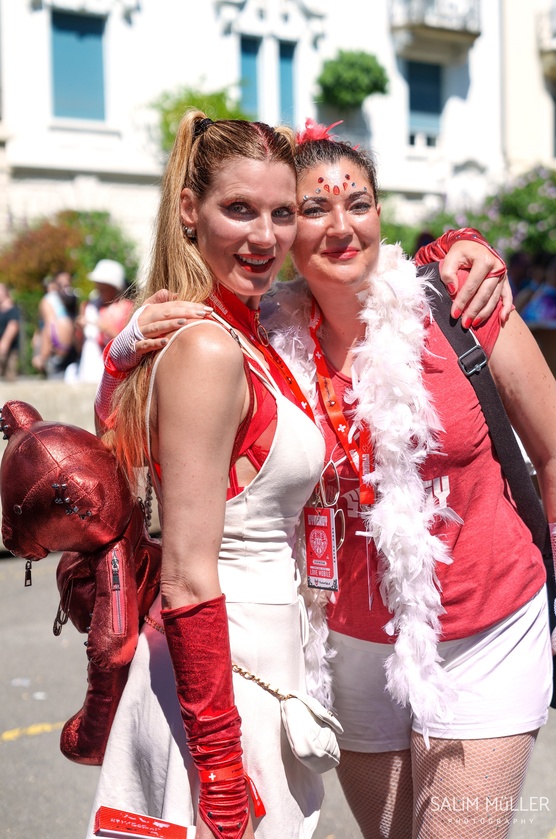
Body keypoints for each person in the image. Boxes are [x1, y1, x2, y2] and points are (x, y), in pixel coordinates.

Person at [98, 120, 556, 839]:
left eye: (360, 203)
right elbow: (138, 432)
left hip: (486, 628)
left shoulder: (460, 306)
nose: (340, 226)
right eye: (310, 209)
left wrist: (461, 238)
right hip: (350, 648)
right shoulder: (263, 333)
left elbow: (554, 452)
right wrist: (122, 352)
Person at [86, 114, 328, 839]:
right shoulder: (207, 348)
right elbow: (187, 572)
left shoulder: (247, 333)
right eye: (239, 210)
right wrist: (220, 766)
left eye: (282, 213)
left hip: (255, 671)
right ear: (189, 209)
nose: (264, 237)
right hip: (219, 688)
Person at [67, 259, 133, 383]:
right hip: (87, 371)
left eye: (104, 287)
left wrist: (106, 328)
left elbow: (130, 347)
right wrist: (78, 330)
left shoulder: (127, 309)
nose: (99, 289)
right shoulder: (88, 307)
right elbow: (78, 347)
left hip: (112, 376)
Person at [32, 271, 78, 378]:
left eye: (68, 284)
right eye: (62, 284)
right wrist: (44, 353)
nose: (66, 287)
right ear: (55, 286)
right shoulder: (50, 301)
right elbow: (49, 326)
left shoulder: (70, 301)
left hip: (70, 352)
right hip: (56, 351)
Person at [0, 283, 21, 381]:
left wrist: (4, 343)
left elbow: (13, 327)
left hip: (9, 349)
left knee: (9, 378)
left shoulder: (12, 310)